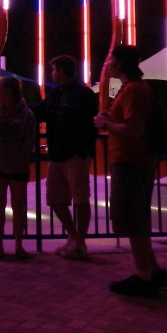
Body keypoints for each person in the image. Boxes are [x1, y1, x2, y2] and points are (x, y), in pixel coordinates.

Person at [94, 45, 167, 297]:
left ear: (121, 64)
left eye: (111, 60)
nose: (107, 64)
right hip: (133, 160)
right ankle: (152, 270)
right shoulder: (133, 89)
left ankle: (144, 276)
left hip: (131, 161)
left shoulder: (134, 90)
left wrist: (106, 123)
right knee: (137, 217)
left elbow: (134, 129)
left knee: (133, 218)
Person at [34, 55, 97, 260]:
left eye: (53, 70)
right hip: (57, 154)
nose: (52, 73)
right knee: (54, 199)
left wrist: (84, 153)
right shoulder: (55, 93)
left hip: (74, 155)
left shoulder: (84, 95)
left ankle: (79, 242)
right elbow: (37, 112)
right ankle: (74, 236)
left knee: (80, 199)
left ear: (61, 71)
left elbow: (91, 126)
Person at [0, 77, 36, 259]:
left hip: (18, 167)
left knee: (18, 207)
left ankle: (18, 244)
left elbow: (30, 139)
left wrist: (20, 155)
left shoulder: (27, 114)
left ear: (10, 91)